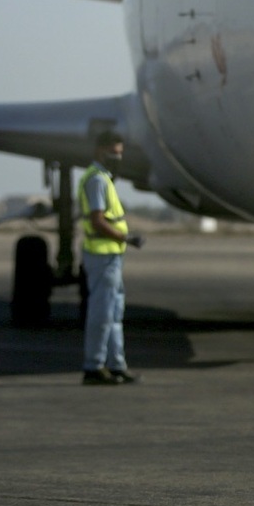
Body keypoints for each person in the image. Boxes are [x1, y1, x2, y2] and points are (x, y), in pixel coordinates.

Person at [79, 130, 143, 385]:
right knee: (102, 314)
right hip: (102, 256)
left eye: (119, 154)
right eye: (113, 153)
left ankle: (117, 365)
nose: (117, 158)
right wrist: (125, 238)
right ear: (99, 151)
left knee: (115, 314)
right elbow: (97, 222)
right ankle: (93, 366)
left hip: (113, 257)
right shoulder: (96, 180)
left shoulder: (104, 178)